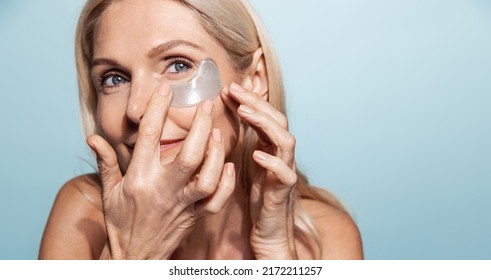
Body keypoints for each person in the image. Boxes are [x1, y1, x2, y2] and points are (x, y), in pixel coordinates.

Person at [39, 0, 363, 260]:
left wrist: (277, 256)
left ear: (255, 79)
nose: (135, 109)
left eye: (179, 65)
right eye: (115, 78)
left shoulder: (325, 237)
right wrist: (130, 254)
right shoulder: (83, 216)